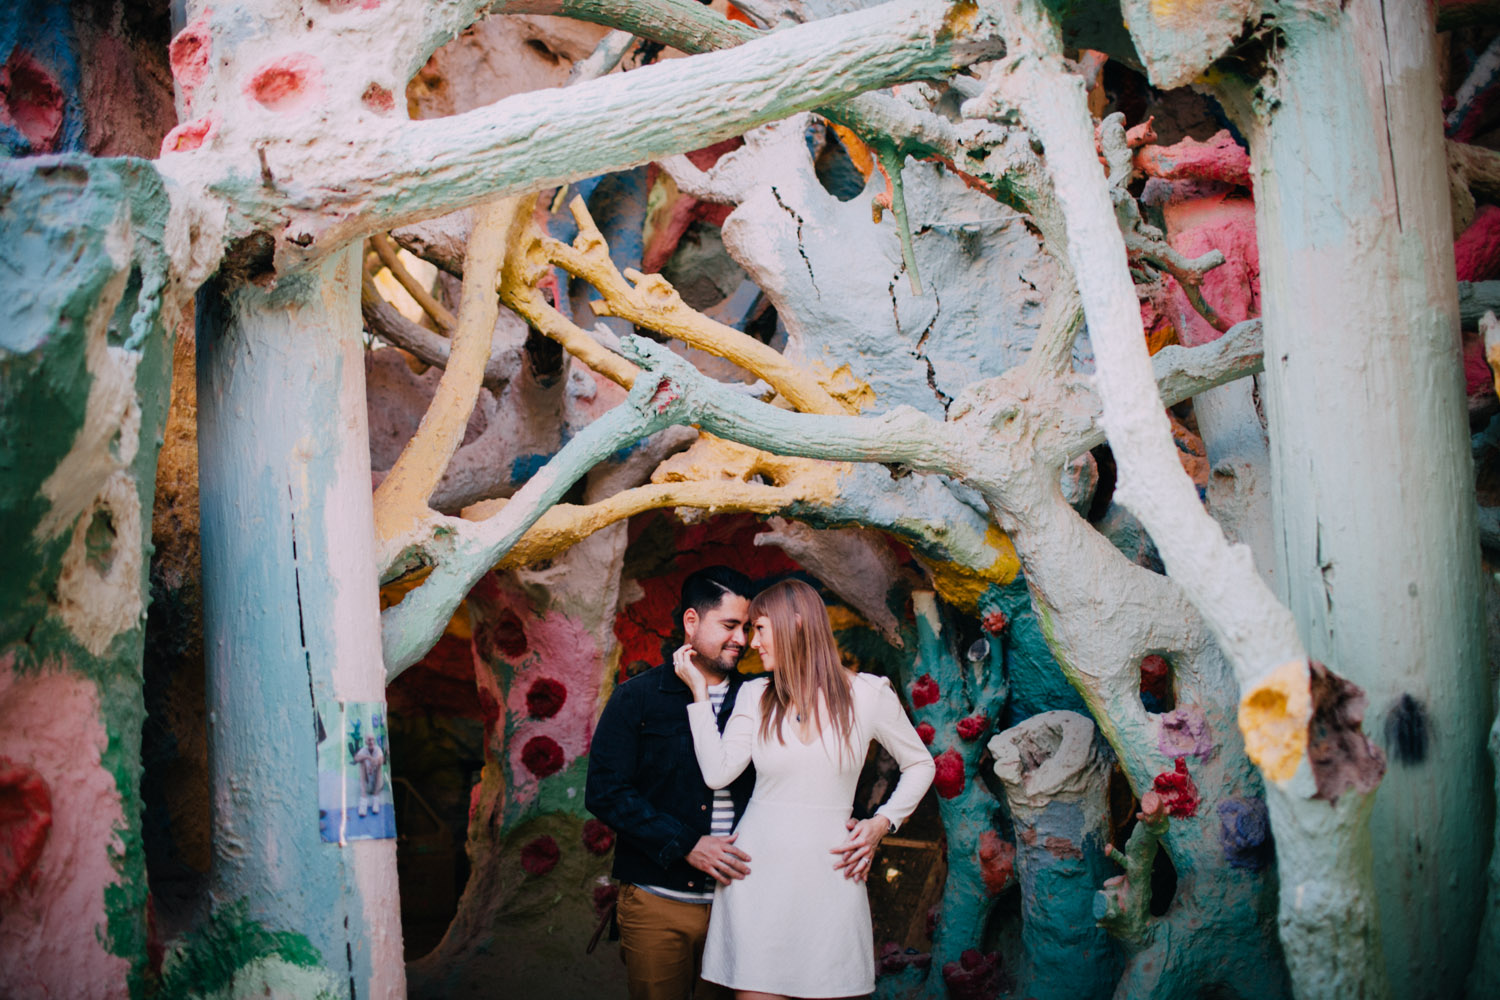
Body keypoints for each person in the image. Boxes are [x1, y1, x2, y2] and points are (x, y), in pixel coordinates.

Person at [674, 578, 935, 1000]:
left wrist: (879, 824)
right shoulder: (755, 694)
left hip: (832, 874)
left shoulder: (868, 694)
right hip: (757, 876)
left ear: (795, 624)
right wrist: (700, 696)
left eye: (759, 628)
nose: (751, 642)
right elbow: (718, 773)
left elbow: (921, 764)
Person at [587, 566, 759, 1000]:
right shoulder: (637, 697)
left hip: (740, 905)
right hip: (657, 902)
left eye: (747, 627)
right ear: (691, 622)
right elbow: (606, 791)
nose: (742, 639)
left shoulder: (760, 698)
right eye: (729, 625)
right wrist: (687, 843)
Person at [353, 733, 384, 817]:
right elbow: (356, 758)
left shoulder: (377, 750)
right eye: (369, 740)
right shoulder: (364, 750)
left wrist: (374, 762)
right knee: (361, 762)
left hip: (377, 785)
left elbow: (381, 760)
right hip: (367, 784)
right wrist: (368, 757)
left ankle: (376, 798)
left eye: (373, 740)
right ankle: (363, 799)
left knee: (379, 765)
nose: (371, 742)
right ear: (366, 742)